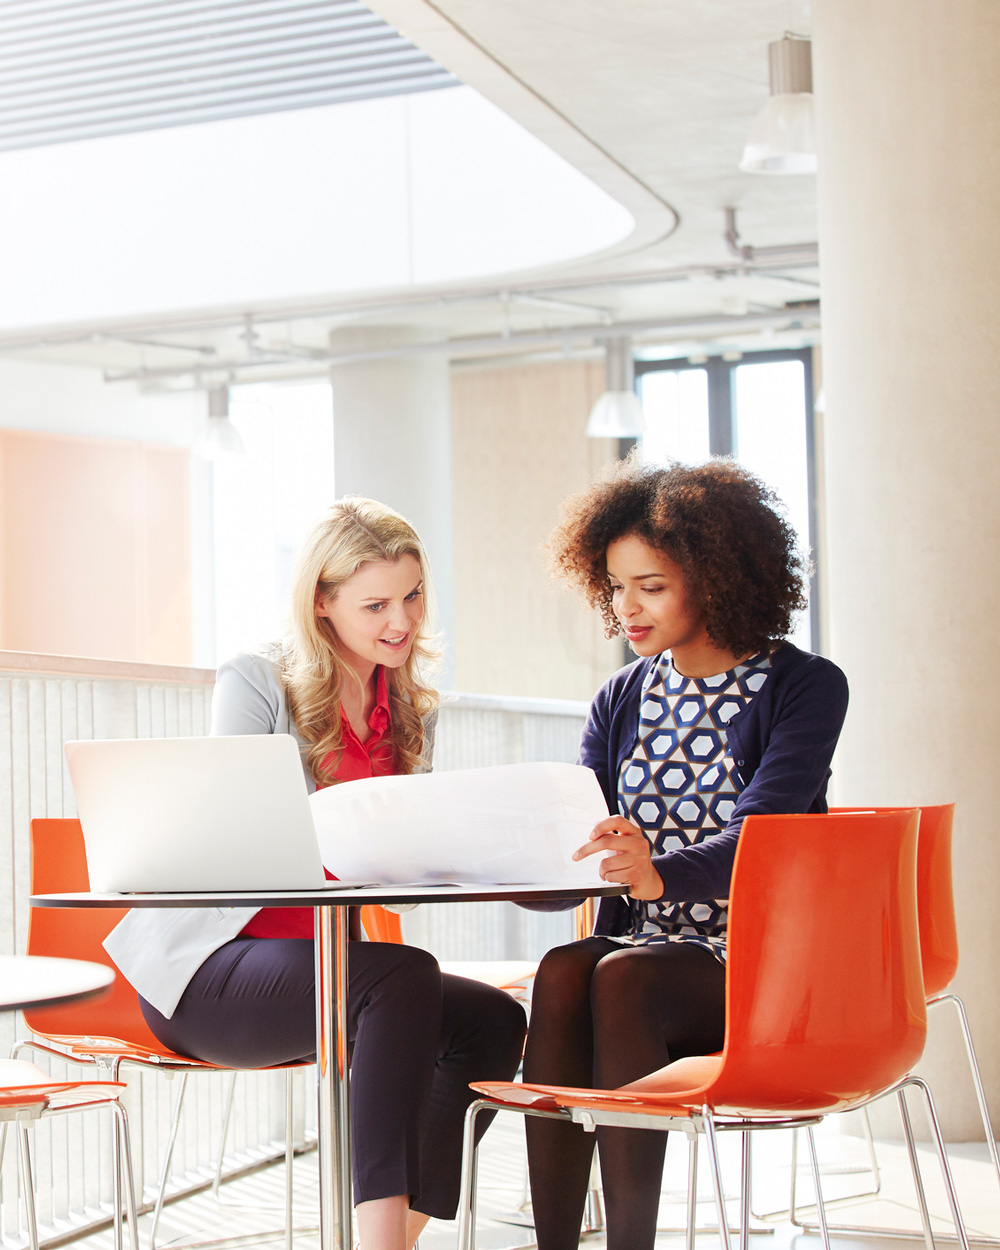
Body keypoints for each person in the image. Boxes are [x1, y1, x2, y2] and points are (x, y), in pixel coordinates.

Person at [105, 498, 527, 1250]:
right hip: (207, 972)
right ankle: (378, 1244)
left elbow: (402, 855)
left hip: (328, 969)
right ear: (322, 603)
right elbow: (225, 825)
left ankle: (400, 1234)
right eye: (376, 604)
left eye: (413, 595)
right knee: (400, 978)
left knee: (493, 1020)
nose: (401, 621)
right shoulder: (257, 680)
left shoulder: (409, 711)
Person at [522, 456, 849, 1250]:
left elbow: (764, 834)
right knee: (565, 969)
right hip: (649, 949)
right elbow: (583, 841)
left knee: (623, 976)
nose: (624, 607)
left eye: (651, 586)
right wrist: (522, 862)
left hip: (762, 962)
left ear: (716, 578)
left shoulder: (803, 686)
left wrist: (657, 869)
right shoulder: (623, 695)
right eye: (615, 585)